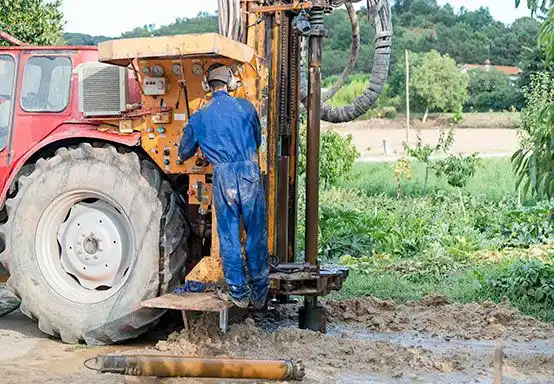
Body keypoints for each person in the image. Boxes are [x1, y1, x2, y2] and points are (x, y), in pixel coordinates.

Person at [178, 63, 269, 309]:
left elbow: (183, 151)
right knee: (256, 233)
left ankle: (239, 294)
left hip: (223, 177)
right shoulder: (247, 107)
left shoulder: (199, 116)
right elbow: (258, 139)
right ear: (230, 84)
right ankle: (260, 293)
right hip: (249, 172)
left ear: (208, 86)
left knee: (228, 235)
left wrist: (193, 155)